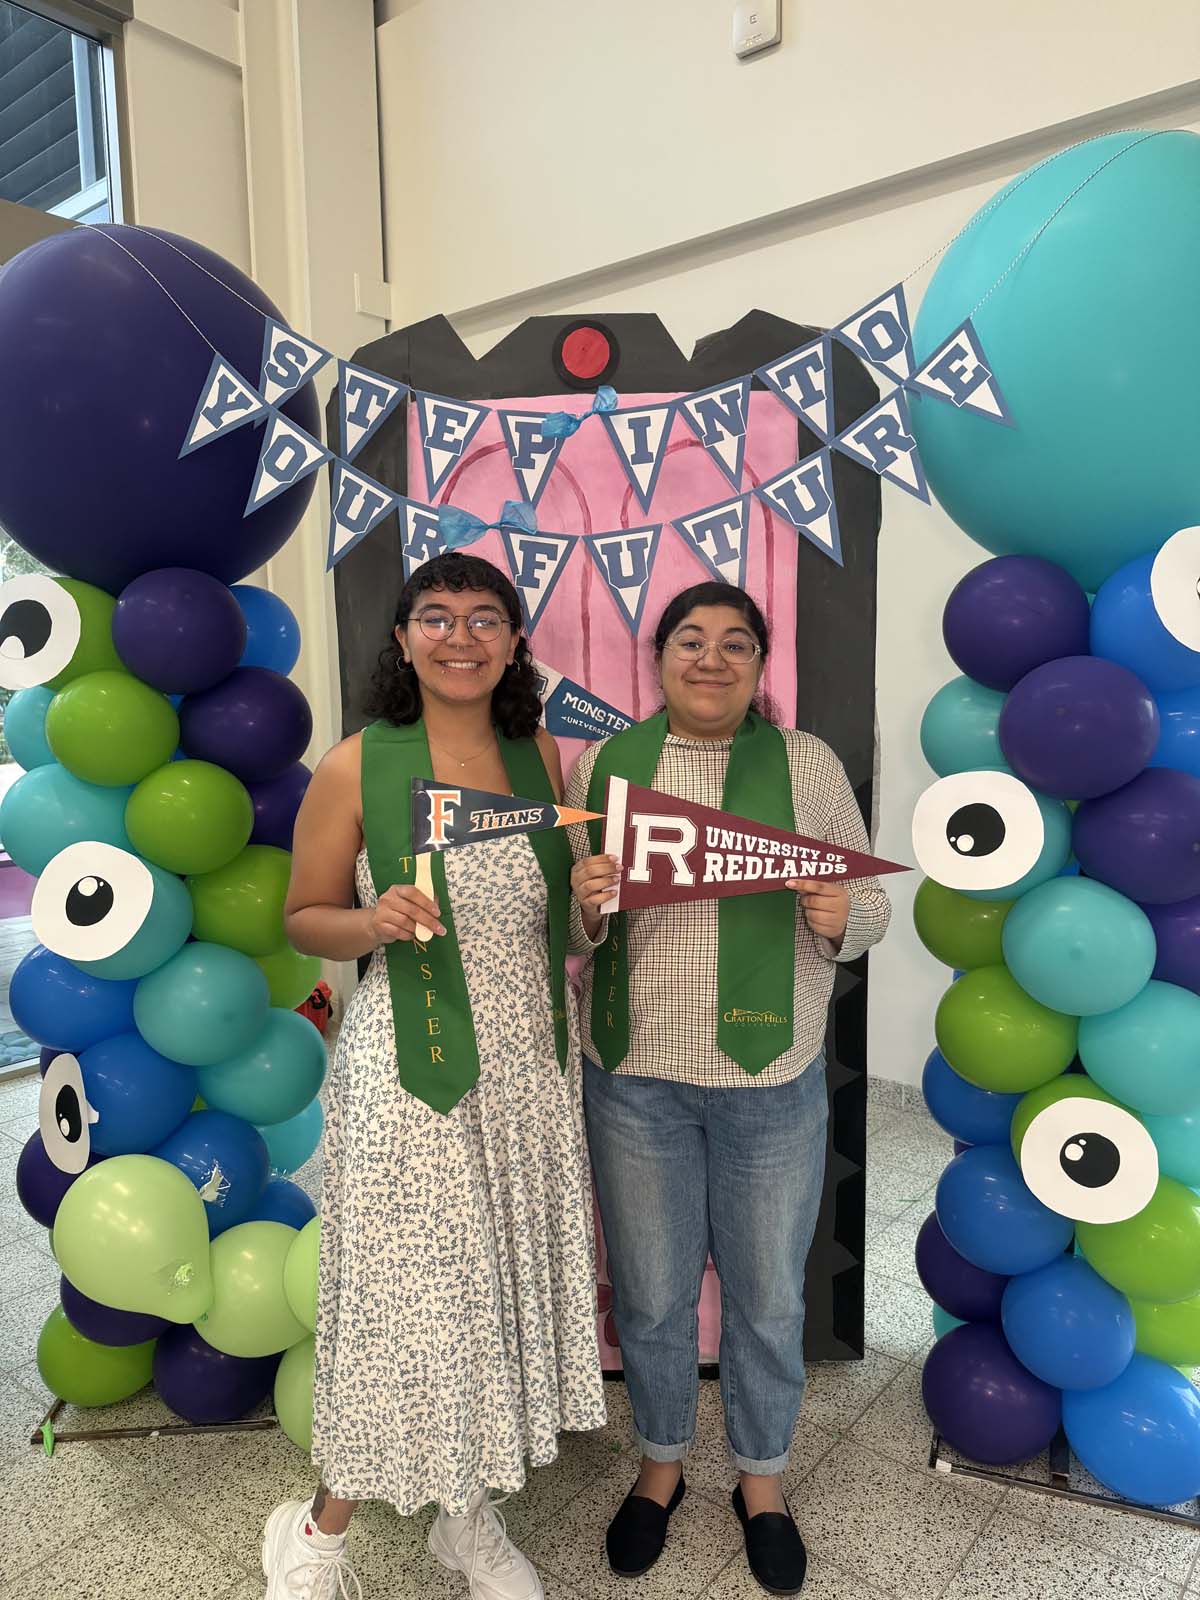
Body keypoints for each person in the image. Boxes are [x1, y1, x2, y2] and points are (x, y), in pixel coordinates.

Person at [263, 552, 606, 1600]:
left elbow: (567, 930)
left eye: (485, 618)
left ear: (513, 640)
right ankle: (317, 1532)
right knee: (404, 1297)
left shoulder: (540, 754)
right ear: (404, 636)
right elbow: (303, 913)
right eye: (437, 616)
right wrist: (368, 922)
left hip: (527, 1071)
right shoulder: (356, 764)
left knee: (483, 1295)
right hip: (413, 1073)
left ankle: (465, 1521)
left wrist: (595, 898)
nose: (461, 636)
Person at [566, 581, 891, 1597]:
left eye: (736, 643)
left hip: (771, 1083)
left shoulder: (805, 765)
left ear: (760, 663)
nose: (712, 659)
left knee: (764, 1295)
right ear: (657, 658)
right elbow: (571, 937)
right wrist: (583, 908)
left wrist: (843, 910)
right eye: (691, 641)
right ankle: (661, 1462)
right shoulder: (607, 764)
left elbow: (869, 903)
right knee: (654, 1295)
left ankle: (762, 1479)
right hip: (635, 1081)